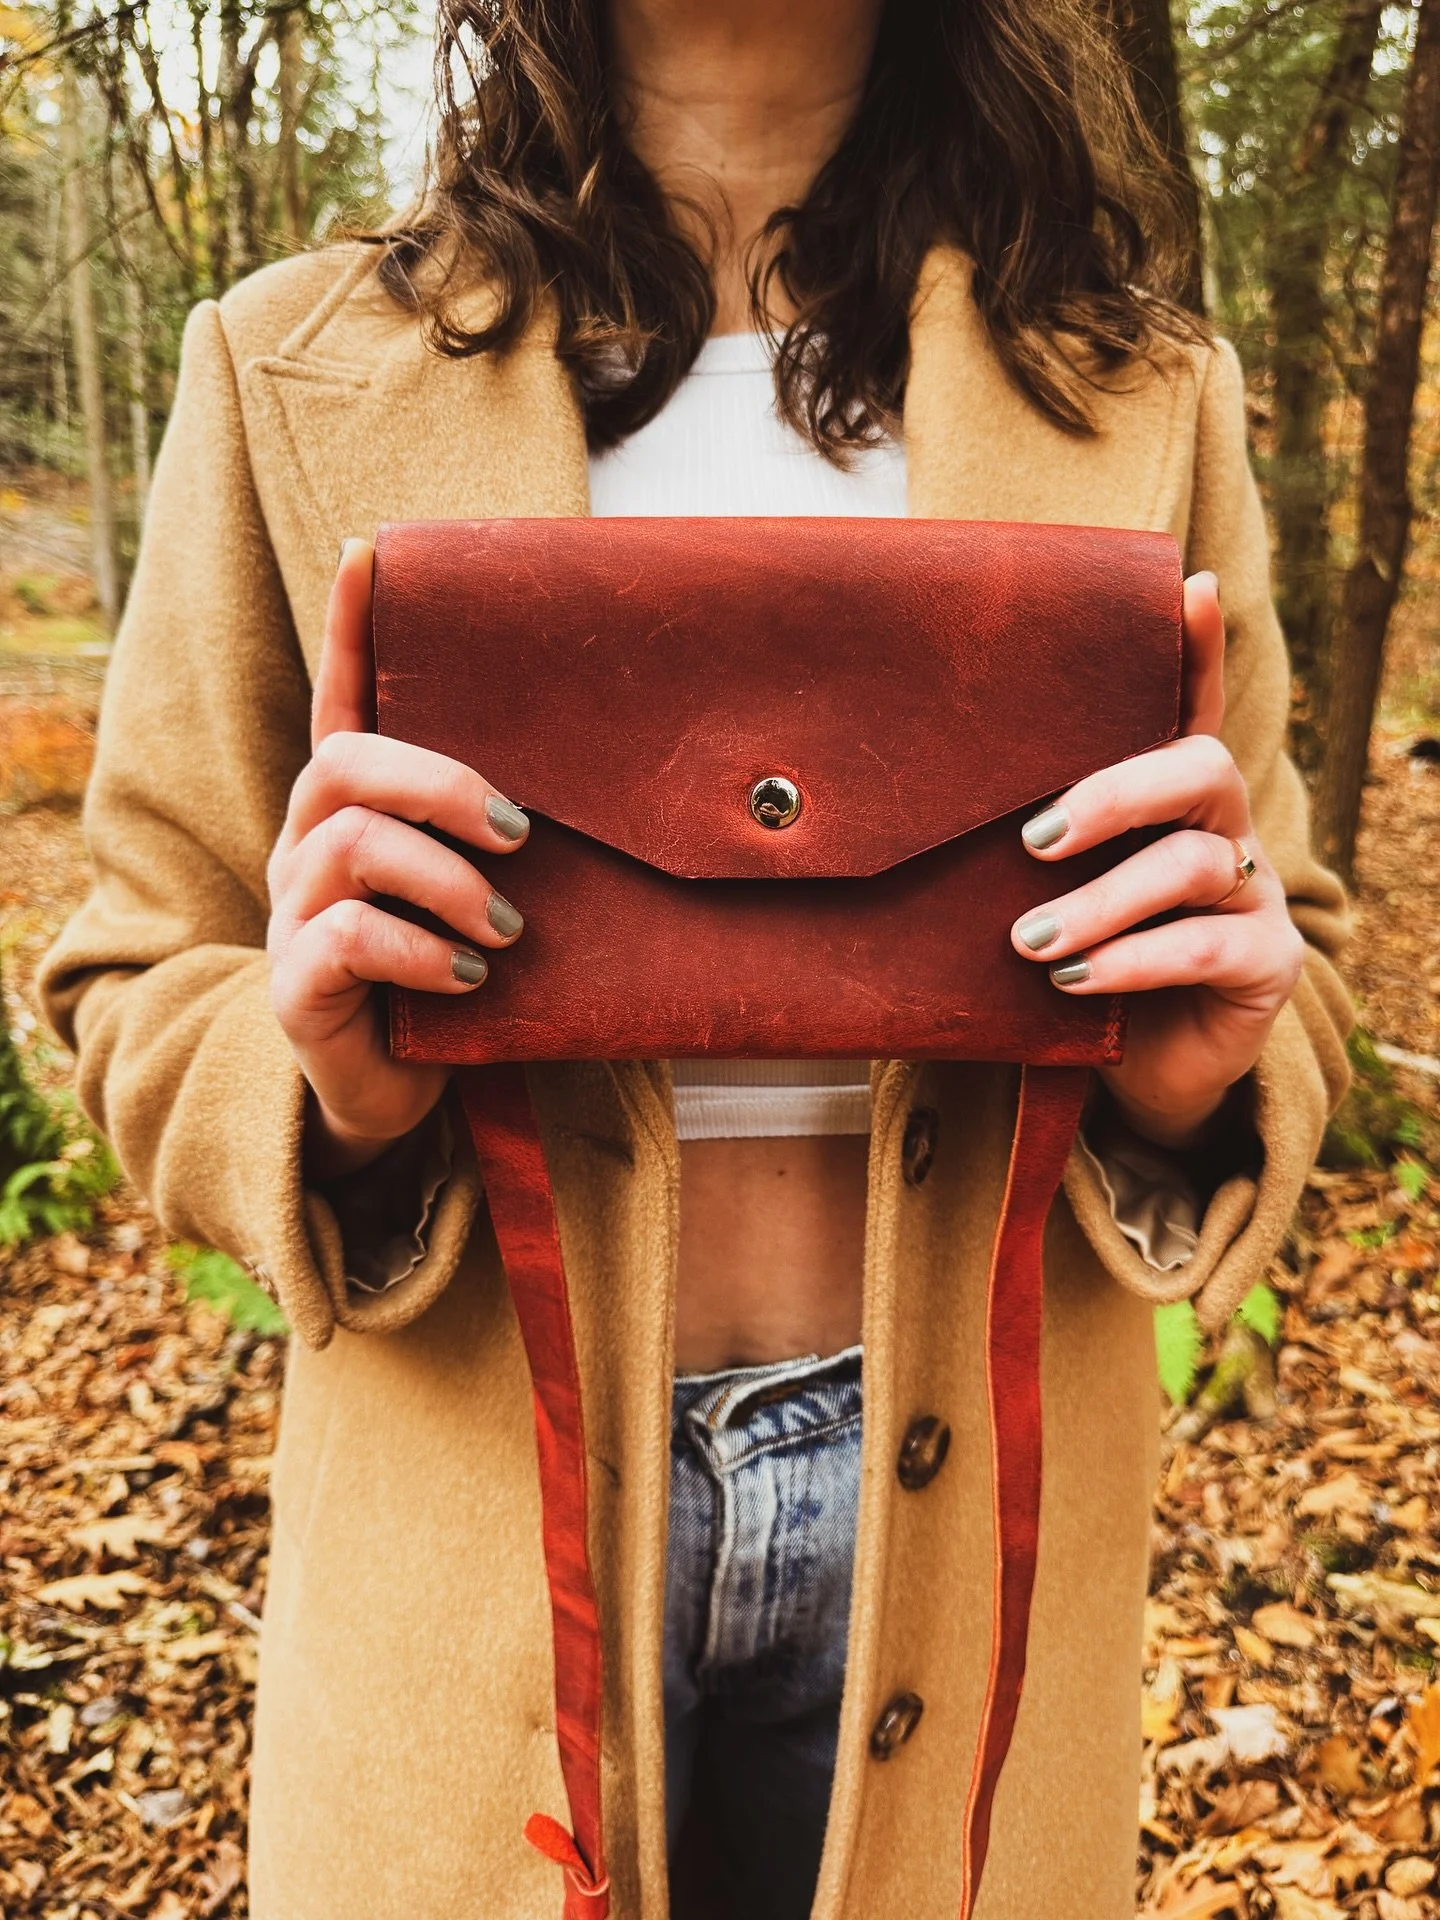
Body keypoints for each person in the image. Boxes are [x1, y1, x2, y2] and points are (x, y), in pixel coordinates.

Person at [39, 1, 1353, 1916]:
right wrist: (325, 1072)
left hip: (980, 1540)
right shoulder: (290, 366)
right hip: (468, 1534)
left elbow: (1286, 942)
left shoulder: (1143, 392)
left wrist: (1193, 1069)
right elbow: (139, 964)